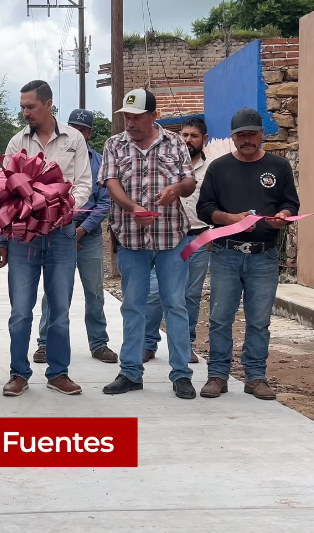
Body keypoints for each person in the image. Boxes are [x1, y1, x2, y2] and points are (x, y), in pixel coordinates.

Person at [99, 89, 197, 398]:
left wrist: (176, 189)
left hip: (171, 239)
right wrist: (132, 208)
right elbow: (111, 182)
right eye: (127, 117)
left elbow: (190, 181)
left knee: (175, 306)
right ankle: (130, 372)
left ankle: (181, 374)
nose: (130, 123)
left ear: (154, 116)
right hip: (131, 239)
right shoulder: (114, 145)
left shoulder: (175, 143)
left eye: (137, 117)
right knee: (133, 307)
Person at [196, 107, 299, 401]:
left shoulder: (279, 168)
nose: (247, 140)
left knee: (259, 320)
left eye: (252, 135)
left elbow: (292, 203)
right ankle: (217, 375)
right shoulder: (219, 168)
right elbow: (205, 208)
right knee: (219, 318)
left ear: (261, 134)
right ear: (233, 137)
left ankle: (255, 377)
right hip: (226, 254)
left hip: (264, 256)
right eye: (241, 135)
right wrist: (228, 218)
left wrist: (284, 214)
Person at [0, 80, 92, 397]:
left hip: (62, 235)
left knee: (60, 309)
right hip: (23, 238)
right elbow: (7, 188)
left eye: (31, 106)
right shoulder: (16, 144)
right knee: (20, 310)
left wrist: (64, 210)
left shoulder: (74, 139)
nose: (25, 112)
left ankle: (58, 373)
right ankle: (19, 373)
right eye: (22, 106)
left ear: (48, 104)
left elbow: (82, 184)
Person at [33, 108, 116, 365]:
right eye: (72, 127)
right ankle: (45, 343)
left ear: (89, 133)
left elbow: (104, 203)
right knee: (54, 291)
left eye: (82, 129)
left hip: (87, 234)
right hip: (55, 231)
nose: (77, 133)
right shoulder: (52, 157)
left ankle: (99, 343)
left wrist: (81, 230)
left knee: (94, 290)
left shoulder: (99, 162)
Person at [145, 117, 211, 364]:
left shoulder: (211, 169)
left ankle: (186, 345)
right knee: (154, 293)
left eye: (194, 136)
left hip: (197, 238)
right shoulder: (169, 166)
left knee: (190, 296)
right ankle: (148, 343)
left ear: (204, 140)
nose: (187, 140)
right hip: (168, 238)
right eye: (184, 135)